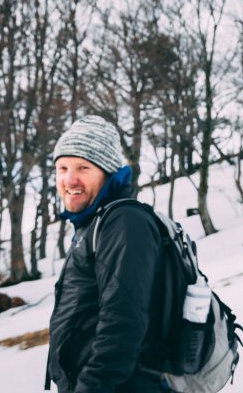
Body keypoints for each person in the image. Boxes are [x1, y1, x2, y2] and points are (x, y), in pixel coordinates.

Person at [46, 115, 163, 393]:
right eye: (62, 167)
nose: (69, 179)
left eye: (83, 167)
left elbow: (123, 321)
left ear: (107, 172)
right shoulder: (93, 225)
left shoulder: (123, 222)